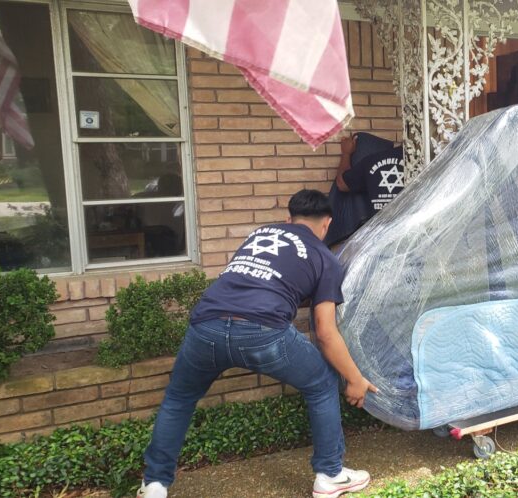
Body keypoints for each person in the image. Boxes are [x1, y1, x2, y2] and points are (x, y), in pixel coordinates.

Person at [138, 190, 376, 498]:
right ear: (326, 224)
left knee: (178, 399)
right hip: (262, 331)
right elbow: (325, 331)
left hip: (206, 325)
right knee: (321, 382)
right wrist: (355, 380)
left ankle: (155, 484)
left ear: (288, 219)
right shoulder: (324, 257)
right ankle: (330, 475)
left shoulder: (260, 234)